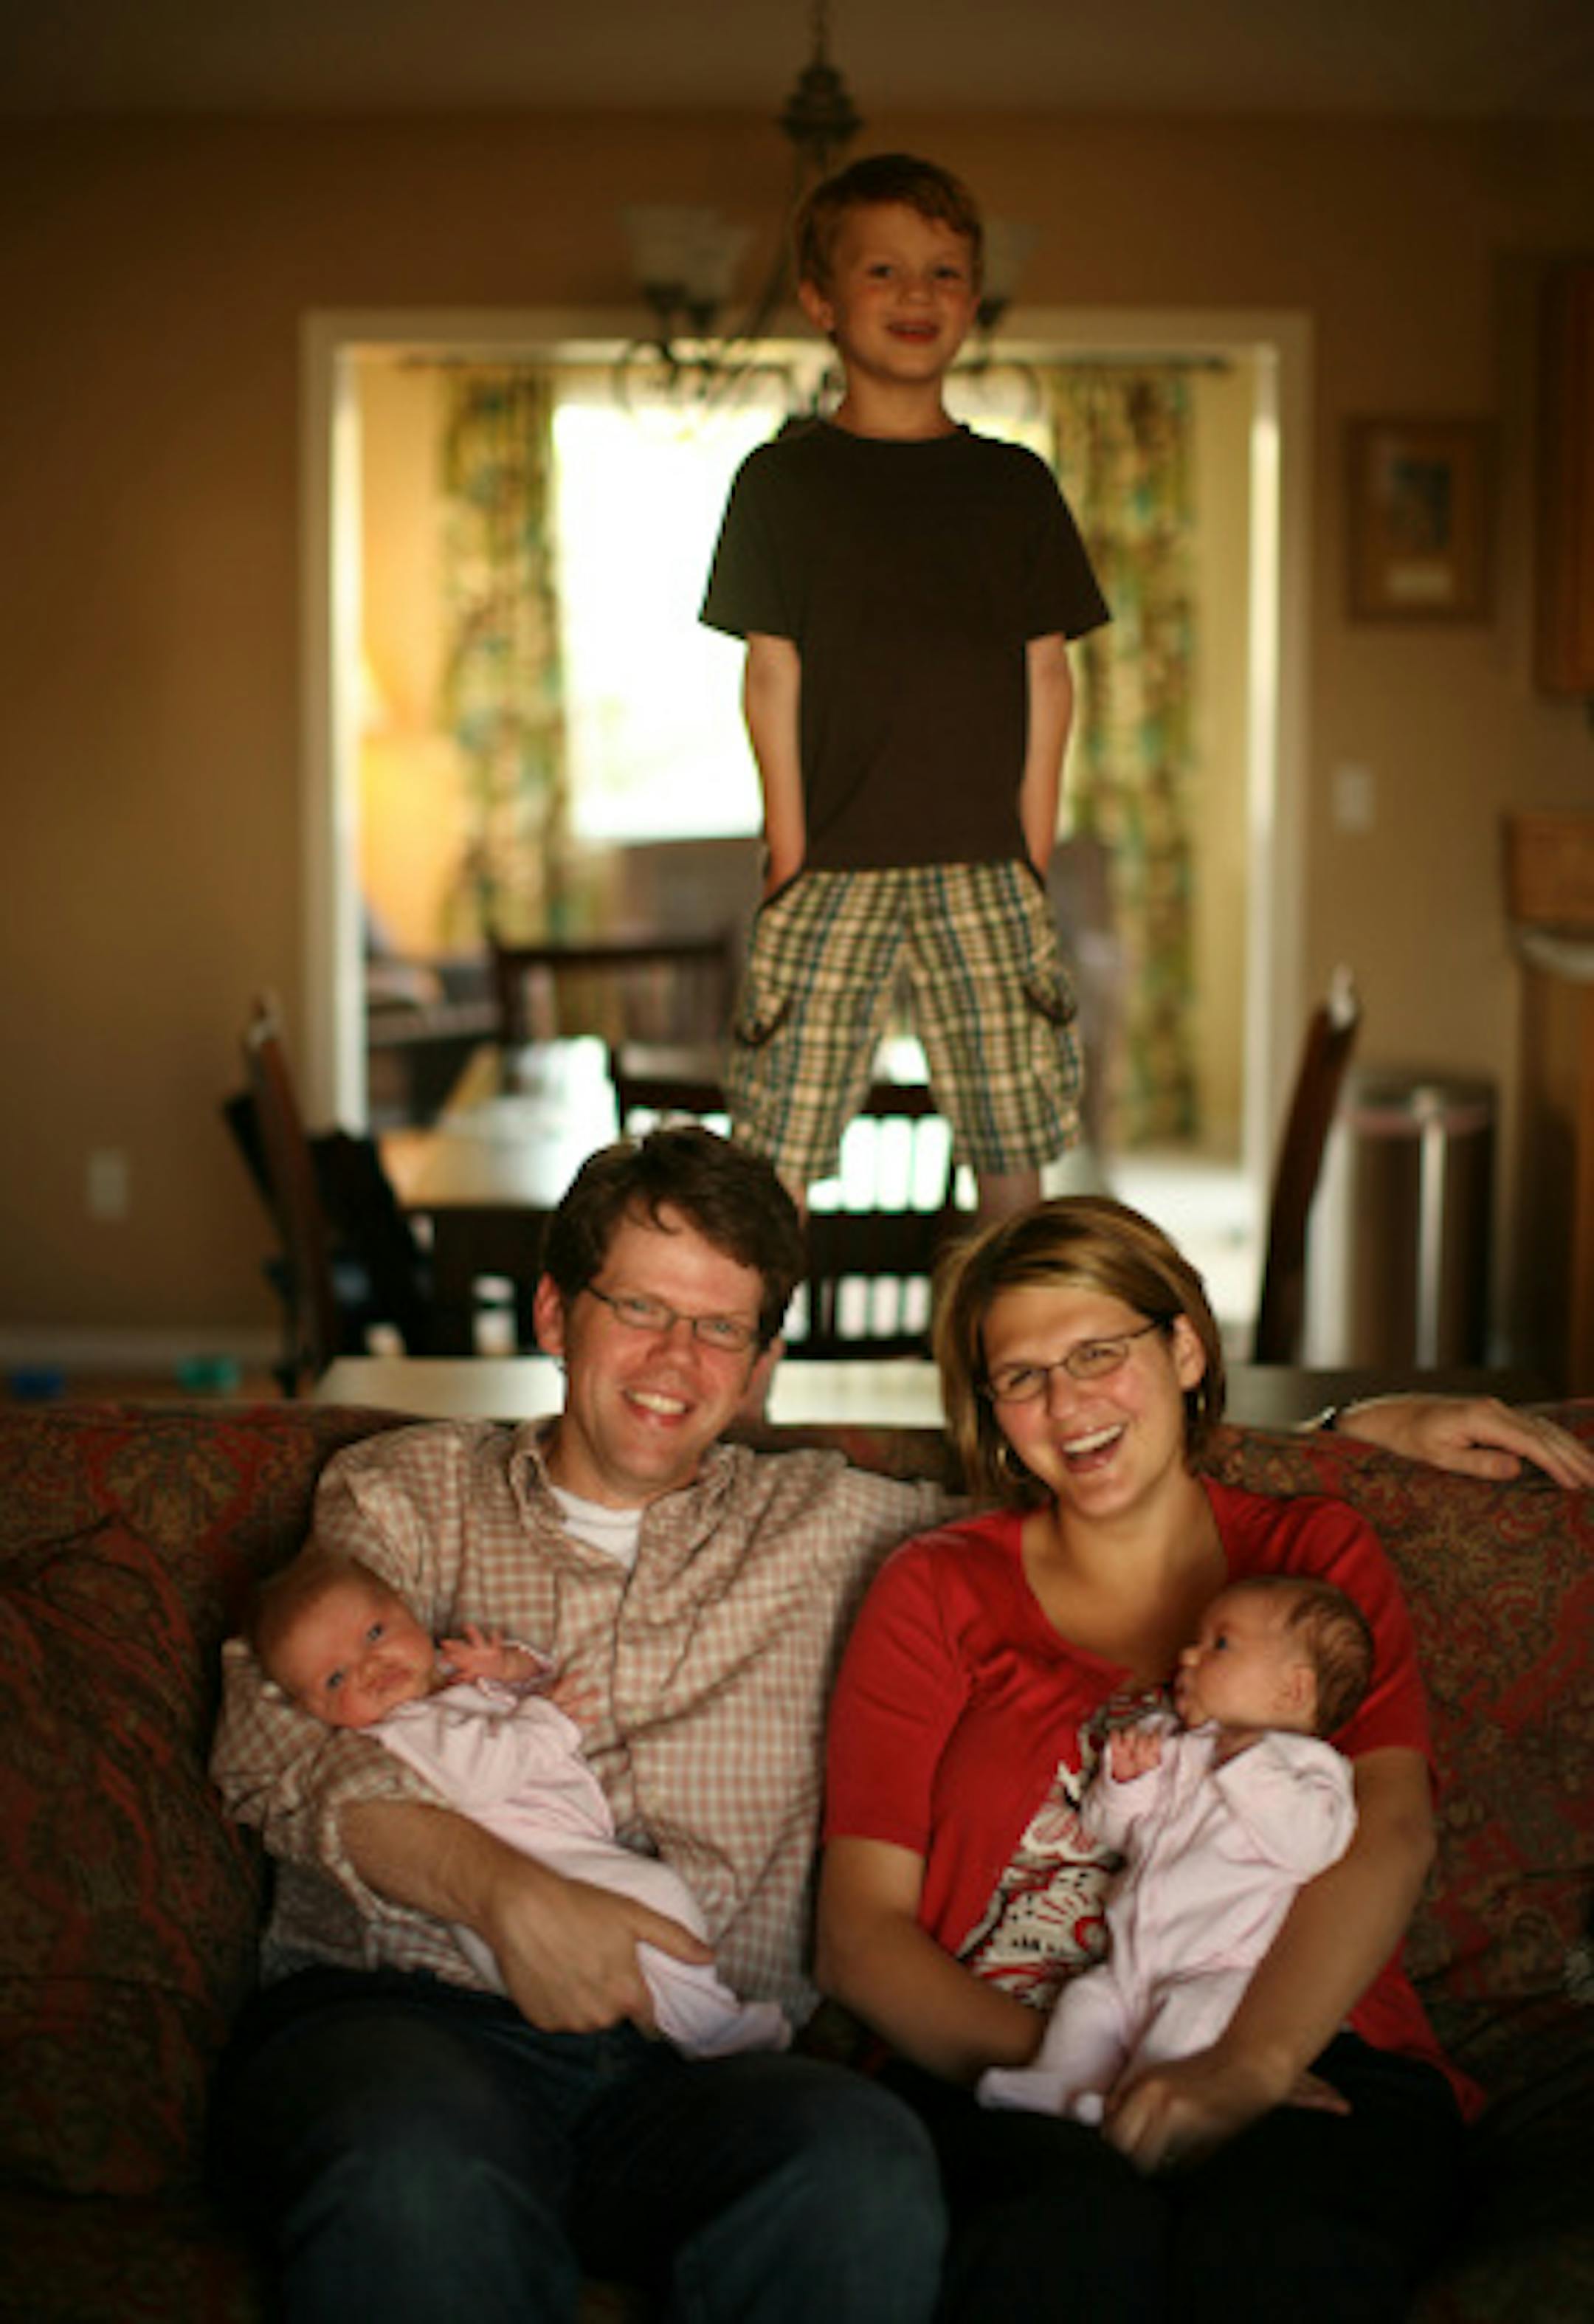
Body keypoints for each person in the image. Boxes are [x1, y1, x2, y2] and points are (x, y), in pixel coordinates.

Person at [207, 1125, 1593, 2324]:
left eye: (721, 1326)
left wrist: (1352, 1431)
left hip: (702, 2070)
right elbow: (270, 1735)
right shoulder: (400, 1496)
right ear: (557, 1312)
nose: (676, 1358)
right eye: (640, 1306)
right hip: (412, 2017)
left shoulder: (834, 1526)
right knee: (417, 2175)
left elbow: (1102, 1476)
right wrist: (503, 1892)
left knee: (859, 2169)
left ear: (761, 1366)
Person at [817, 1192, 1495, 2322]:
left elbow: (1391, 1824)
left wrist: (1247, 2069)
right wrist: (1108, 2070)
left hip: (1306, 2037)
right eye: (1021, 1376)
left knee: (1281, 2254)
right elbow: (858, 1936)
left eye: (1098, 1353)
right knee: (1063, 2247)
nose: (1067, 1404)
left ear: (1183, 1347)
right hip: (1023, 2066)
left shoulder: (1310, 1559)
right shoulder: (933, 1588)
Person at [700, 151, 1110, 1224]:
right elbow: (771, 674)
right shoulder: (779, 483)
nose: (917, 295)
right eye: (883, 272)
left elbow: (1049, 673)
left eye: (944, 272)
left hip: (987, 865)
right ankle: (748, 1395)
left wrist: (1031, 846)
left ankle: (1011, 1386)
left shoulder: (1013, 485)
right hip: (829, 867)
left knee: (1014, 1167)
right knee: (775, 1159)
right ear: (820, 300)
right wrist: (787, 853)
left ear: (974, 299)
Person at [251, 1553, 790, 2059]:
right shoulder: (406, 1731)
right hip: (528, 1870)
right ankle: (711, 2032)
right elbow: (482, 1777)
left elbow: (531, 1687)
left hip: (565, 1854)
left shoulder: (446, 1680)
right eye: (337, 1678)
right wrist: (548, 1720)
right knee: (660, 1897)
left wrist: (510, 1666)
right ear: (315, 1711)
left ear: (406, 1608)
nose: (371, 1666)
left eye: (375, 1633)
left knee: (649, 1929)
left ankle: (687, 2018)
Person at [978, 1573, 1373, 2121]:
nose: (1188, 1653)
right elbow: (1112, 1833)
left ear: (1293, 1690)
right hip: (1130, 1965)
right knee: (1086, 2005)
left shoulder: (1308, 1767)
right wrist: (1125, 1783)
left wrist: (1248, 1765)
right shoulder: (1170, 1740)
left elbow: (1311, 1846)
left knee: (1184, 2026)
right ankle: (1060, 2085)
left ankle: (1135, 2107)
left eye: (1220, 1643)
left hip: (1220, 1970)